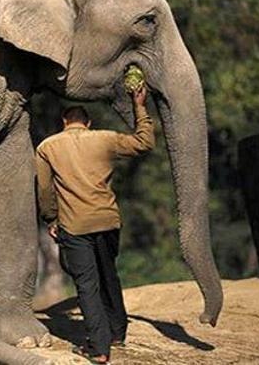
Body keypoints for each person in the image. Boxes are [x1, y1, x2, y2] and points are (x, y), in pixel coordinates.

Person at [35, 86, 154, 364]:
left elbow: (44, 189)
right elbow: (144, 142)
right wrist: (139, 106)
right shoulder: (105, 138)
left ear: (64, 123)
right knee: (108, 273)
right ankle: (116, 332)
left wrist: (51, 218)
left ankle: (99, 348)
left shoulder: (48, 147)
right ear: (87, 123)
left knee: (87, 284)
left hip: (75, 226)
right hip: (108, 220)